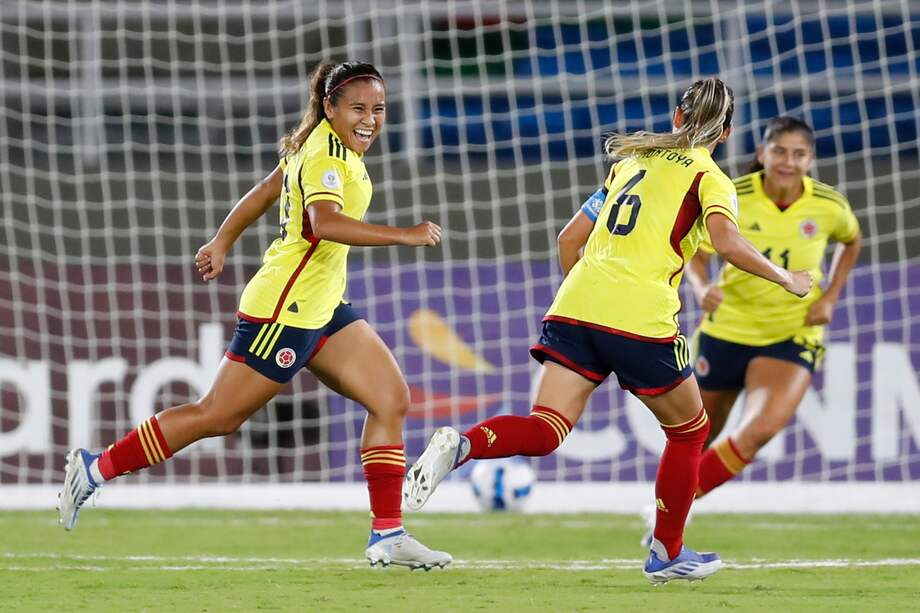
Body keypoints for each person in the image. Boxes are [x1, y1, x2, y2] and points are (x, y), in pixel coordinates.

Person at [403, 78, 813, 584]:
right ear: (726, 133)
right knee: (690, 431)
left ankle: (462, 446)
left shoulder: (630, 162)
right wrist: (787, 278)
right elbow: (726, 243)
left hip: (576, 306)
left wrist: (586, 300)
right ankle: (667, 552)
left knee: (547, 427)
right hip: (640, 318)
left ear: (677, 117)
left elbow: (568, 238)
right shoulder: (710, 178)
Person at [58, 61, 452, 570]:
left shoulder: (321, 147)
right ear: (330, 108)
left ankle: (387, 534)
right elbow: (325, 222)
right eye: (358, 108)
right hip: (284, 310)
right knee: (217, 415)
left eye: (378, 109)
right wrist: (405, 234)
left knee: (391, 399)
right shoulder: (324, 156)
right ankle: (94, 470)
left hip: (322, 307)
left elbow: (267, 190)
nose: (370, 120)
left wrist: (222, 240)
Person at [685, 116, 862, 499]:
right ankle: (671, 517)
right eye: (779, 150)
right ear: (761, 153)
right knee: (696, 438)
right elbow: (694, 252)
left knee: (758, 431)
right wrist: (700, 287)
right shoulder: (731, 195)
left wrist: (830, 296)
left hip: (791, 331)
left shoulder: (829, 205)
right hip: (726, 327)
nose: (788, 161)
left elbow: (852, 240)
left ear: (810, 160)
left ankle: (666, 515)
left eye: (799, 154)